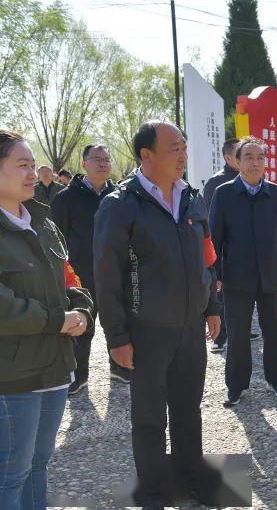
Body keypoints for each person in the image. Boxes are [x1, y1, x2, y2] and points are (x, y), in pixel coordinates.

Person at [93, 121, 221, 507]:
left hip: (189, 328)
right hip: (146, 331)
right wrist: (117, 336)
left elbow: (206, 257)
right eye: (173, 147)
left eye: (184, 145)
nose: (182, 154)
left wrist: (211, 308)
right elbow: (106, 274)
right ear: (146, 155)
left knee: (188, 411)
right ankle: (151, 492)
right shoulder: (121, 205)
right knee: (150, 420)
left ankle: (189, 481)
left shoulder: (191, 198)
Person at [0, 129, 93, 508]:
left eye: (31, 163)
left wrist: (84, 310)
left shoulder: (43, 223)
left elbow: (71, 281)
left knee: (39, 466)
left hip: (55, 369)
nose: (32, 172)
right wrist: (57, 320)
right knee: (11, 473)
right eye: (21, 164)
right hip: (14, 377)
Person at [209, 136, 277, 408]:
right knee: (237, 334)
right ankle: (235, 385)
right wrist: (217, 274)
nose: (255, 163)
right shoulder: (224, 194)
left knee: (273, 331)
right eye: (248, 157)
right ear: (237, 161)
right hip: (237, 278)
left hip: (270, 275)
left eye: (260, 158)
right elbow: (215, 239)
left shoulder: (276, 193)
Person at [52, 144, 130, 395]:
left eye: (107, 159)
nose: (103, 164)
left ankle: (119, 368)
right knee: (81, 326)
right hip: (80, 274)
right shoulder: (66, 198)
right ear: (84, 163)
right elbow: (56, 238)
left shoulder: (120, 196)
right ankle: (78, 376)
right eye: (97, 159)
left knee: (118, 321)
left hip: (116, 273)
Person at [202, 138, 241, 352]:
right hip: (223, 249)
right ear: (228, 157)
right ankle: (220, 335)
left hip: (245, 249)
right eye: (239, 153)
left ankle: (239, 329)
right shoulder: (215, 183)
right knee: (221, 291)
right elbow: (210, 221)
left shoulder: (250, 180)